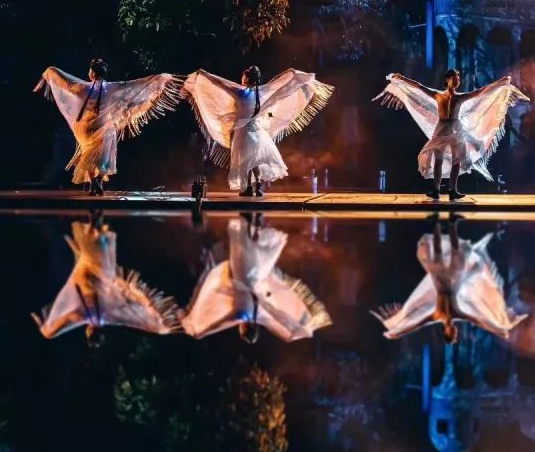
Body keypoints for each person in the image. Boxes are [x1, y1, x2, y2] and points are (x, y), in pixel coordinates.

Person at [35, 59, 182, 195]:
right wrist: (157, 79)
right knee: (101, 159)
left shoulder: (83, 88)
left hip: (87, 128)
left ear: (92, 73)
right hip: (105, 128)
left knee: (88, 156)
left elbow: (66, 83)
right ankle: (96, 183)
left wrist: (52, 71)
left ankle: (94, 184)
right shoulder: (111, 88)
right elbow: (132, 86)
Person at [375, 69, 528, 200]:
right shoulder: (438, 95)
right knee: (439, 160)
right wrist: (401, 78)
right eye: (454, 78)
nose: (457, 81)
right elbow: (418, 87)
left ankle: (452, 190)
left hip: (456, 129)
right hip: (442, 129)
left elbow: (481, 92)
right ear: (448, 80)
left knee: (456, 161)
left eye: (458, 79)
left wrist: (500, 83)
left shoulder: (460, 97)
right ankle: (435, 189)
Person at [372, 213, 526, 343]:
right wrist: (499, 330)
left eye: (453, 334)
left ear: (448, 332)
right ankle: (452, 223)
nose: (456, 331)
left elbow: (416, 324)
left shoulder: (437, 315)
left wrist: (397, 332)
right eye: (456, 334)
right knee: (456, 252)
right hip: (454, 280)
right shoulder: (456, 313)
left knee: (437, 254)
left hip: (440, 282)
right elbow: (480, 321)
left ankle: (437, 223)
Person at [183, 66, 333, 196]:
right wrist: (290, 73)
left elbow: (221, 83)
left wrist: (206, 75)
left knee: (247, 160)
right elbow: (278, 84)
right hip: (258, 131)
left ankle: (250, 187)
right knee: (253, 161)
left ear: (247, 78)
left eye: (244, 76)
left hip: (244, 130)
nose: (242, 78)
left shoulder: (241, 91)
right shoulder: (262, 92)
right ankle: (258, 186)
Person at [181, 216, 332, 342]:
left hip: (256, 277)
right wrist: (201, 331)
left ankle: (255, 220)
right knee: (243, 248)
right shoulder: (242, 314)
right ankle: (249, 219)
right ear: (244, 328)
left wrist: (295, 329)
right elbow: (222, 322)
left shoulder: (259, 314)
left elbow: (275, 315)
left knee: (252, 251)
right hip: (244, 277)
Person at [32, 217, 181, 343]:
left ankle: (98, 216)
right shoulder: (85, 316)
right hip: (89, 275)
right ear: (89, 331)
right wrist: (47, 331)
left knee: (99, 241)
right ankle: (95, 214)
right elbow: (66, 319)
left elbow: (131, 313)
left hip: (103, 272)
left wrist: (160, 327)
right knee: (90, 244)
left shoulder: (109, 316)